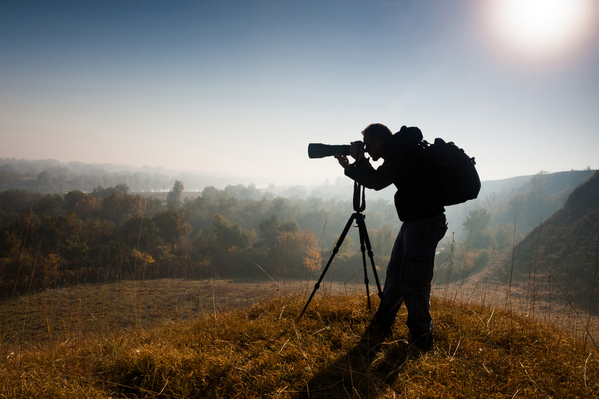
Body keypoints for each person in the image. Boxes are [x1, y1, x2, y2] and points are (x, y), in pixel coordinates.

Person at [335, 123, 447, 352]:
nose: (367, 151)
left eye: (368, 146)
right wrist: (351, 167)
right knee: (395, 275)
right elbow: (376, 179)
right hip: (414, 222)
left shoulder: (401, 152)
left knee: (414, 283)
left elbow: (376, 182)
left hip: (423, 223)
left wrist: (359, 161)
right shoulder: (399, 151)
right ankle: (382, 324)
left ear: (378, 142)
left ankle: (421, 338)